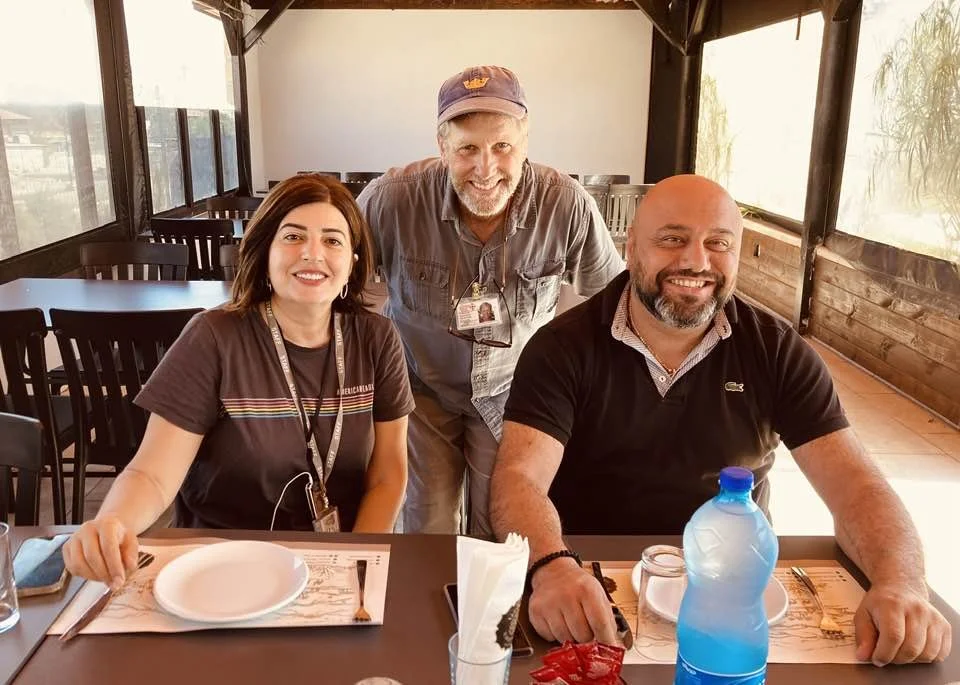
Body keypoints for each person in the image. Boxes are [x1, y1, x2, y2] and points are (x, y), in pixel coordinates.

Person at [489, 174, 952, 666]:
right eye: (672, 239)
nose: (696, 261)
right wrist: (551, 565)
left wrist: (901, 582)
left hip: (735, 591)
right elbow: (519, 477)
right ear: (630, 248)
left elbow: (856, 485)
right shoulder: (562, 348)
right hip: (588, 585)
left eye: (718, 243)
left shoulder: (777, 351)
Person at [64, 174, 414, 586]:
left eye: (332, 241)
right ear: (265, 252)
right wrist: (113, 523)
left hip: (332, 561)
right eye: (293, 237)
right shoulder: (213, 337)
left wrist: (353, 561)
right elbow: (152, 476)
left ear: (353, 263)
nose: (312, 253)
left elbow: (389, 472)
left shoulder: (376, 338)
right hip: (220, 564)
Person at [358, 65, 624, 536]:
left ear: (525, 142)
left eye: (502, 146)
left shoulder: (567, 204)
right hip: (420, 392)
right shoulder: (390, 201)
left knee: (501, 528)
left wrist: (586, 397)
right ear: (442, 146)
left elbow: (613, 303)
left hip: (515, 392)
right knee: (427, 525)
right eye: (467, 149)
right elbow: (346, 291)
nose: (486, 169)